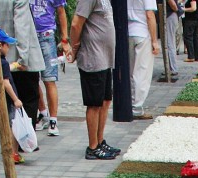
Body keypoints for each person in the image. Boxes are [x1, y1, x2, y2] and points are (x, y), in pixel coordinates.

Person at [68, 0, 121, 160]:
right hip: (93, 57)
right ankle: (92, 147)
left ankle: (99, 141)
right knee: (94, 104)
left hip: (105, 58)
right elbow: (76, 24)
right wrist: (74, 47)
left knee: (105, 100)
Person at [0, 0, 45, 126]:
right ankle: (26, 137)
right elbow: (22, 27)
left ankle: (9, 135)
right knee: (28, 101)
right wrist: (23, 58)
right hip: (19, 59)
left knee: (6, 105)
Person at [30, 0, 70, 135]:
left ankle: (53, 120)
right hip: (30, 36)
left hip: (47, 35)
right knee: (32, 78)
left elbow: (61, 12)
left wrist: (64, 40)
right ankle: (43, 113)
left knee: (49, 79)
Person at [127, 0, 160, 116]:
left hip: (129, 31)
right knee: (142, 72)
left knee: (131, 72)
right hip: (143, 33)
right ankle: (136, 107)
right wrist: (154, 40)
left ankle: (129, 103)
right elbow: (150, 15)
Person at [0, 27, 25, 164]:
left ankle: (11, 152)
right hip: (9, 99)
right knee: (12, 126)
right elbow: (6, 83)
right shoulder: (2, 62)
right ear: (0, 45)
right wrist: (16, 99)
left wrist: (14, 65)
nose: (8, 48)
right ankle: (12, 152)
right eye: (7, 45)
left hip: (2, 99)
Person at [162, 0, 180, 79]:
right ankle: (170, 67)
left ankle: (173, 68)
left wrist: (176, 9)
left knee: (169, 43)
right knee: (169, 42)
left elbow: (173, 5)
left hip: (169, 16)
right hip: (170, 15)